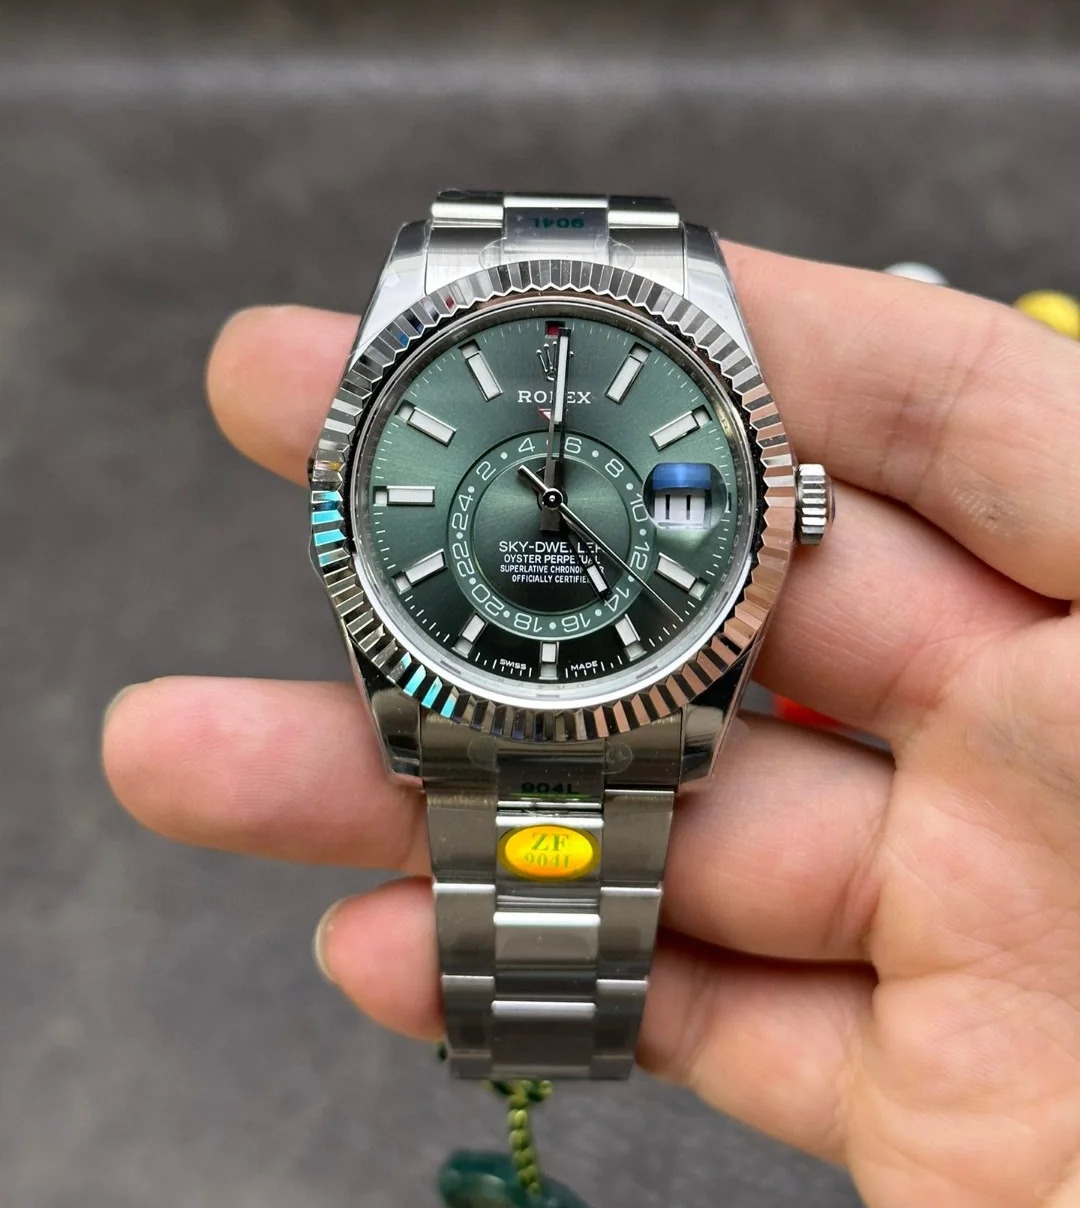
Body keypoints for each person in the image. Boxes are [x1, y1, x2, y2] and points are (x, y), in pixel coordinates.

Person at [102, 243, 1080, 1208]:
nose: (550, 498)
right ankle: (537, 1035)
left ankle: (543, 1035)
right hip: (493, 686)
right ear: (343, 504)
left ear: (787, 508)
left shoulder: (721, 482)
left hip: (614, 691)